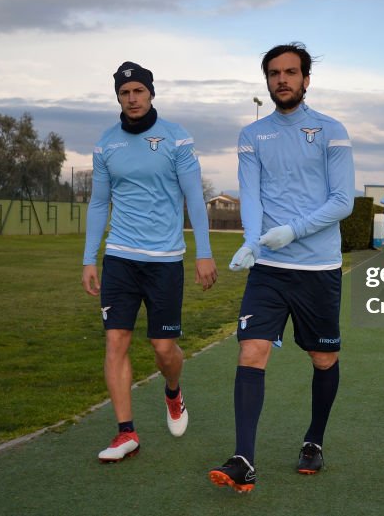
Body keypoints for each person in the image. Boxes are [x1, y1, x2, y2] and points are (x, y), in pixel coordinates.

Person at [209, 43, 355, 493]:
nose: (282, 80)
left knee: (323, 357)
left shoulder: (331, 131)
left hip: (319, 269)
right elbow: (250, 195)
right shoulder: (253, 136)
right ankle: (243, 460)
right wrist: (252, 242)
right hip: (269, 269)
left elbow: (342, 202)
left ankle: (313, 440)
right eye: (274, 73)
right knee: (251, 351)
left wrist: (292, 230)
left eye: (291, 72)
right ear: (267, 80)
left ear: (306, 80)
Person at [82, 61, 218, 463]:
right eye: (124, 94)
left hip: (165, 260)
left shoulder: (177, 139)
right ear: (118, 99)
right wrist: (90, 258)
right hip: (120, 257)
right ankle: (126, 432)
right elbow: (99, 202)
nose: (132, 99)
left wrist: (204, 252)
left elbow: (195, 197)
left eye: (138, 91)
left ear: (151, 93)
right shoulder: (107, 144)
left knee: (163, 348)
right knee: (116, 341)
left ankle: (173, 391)